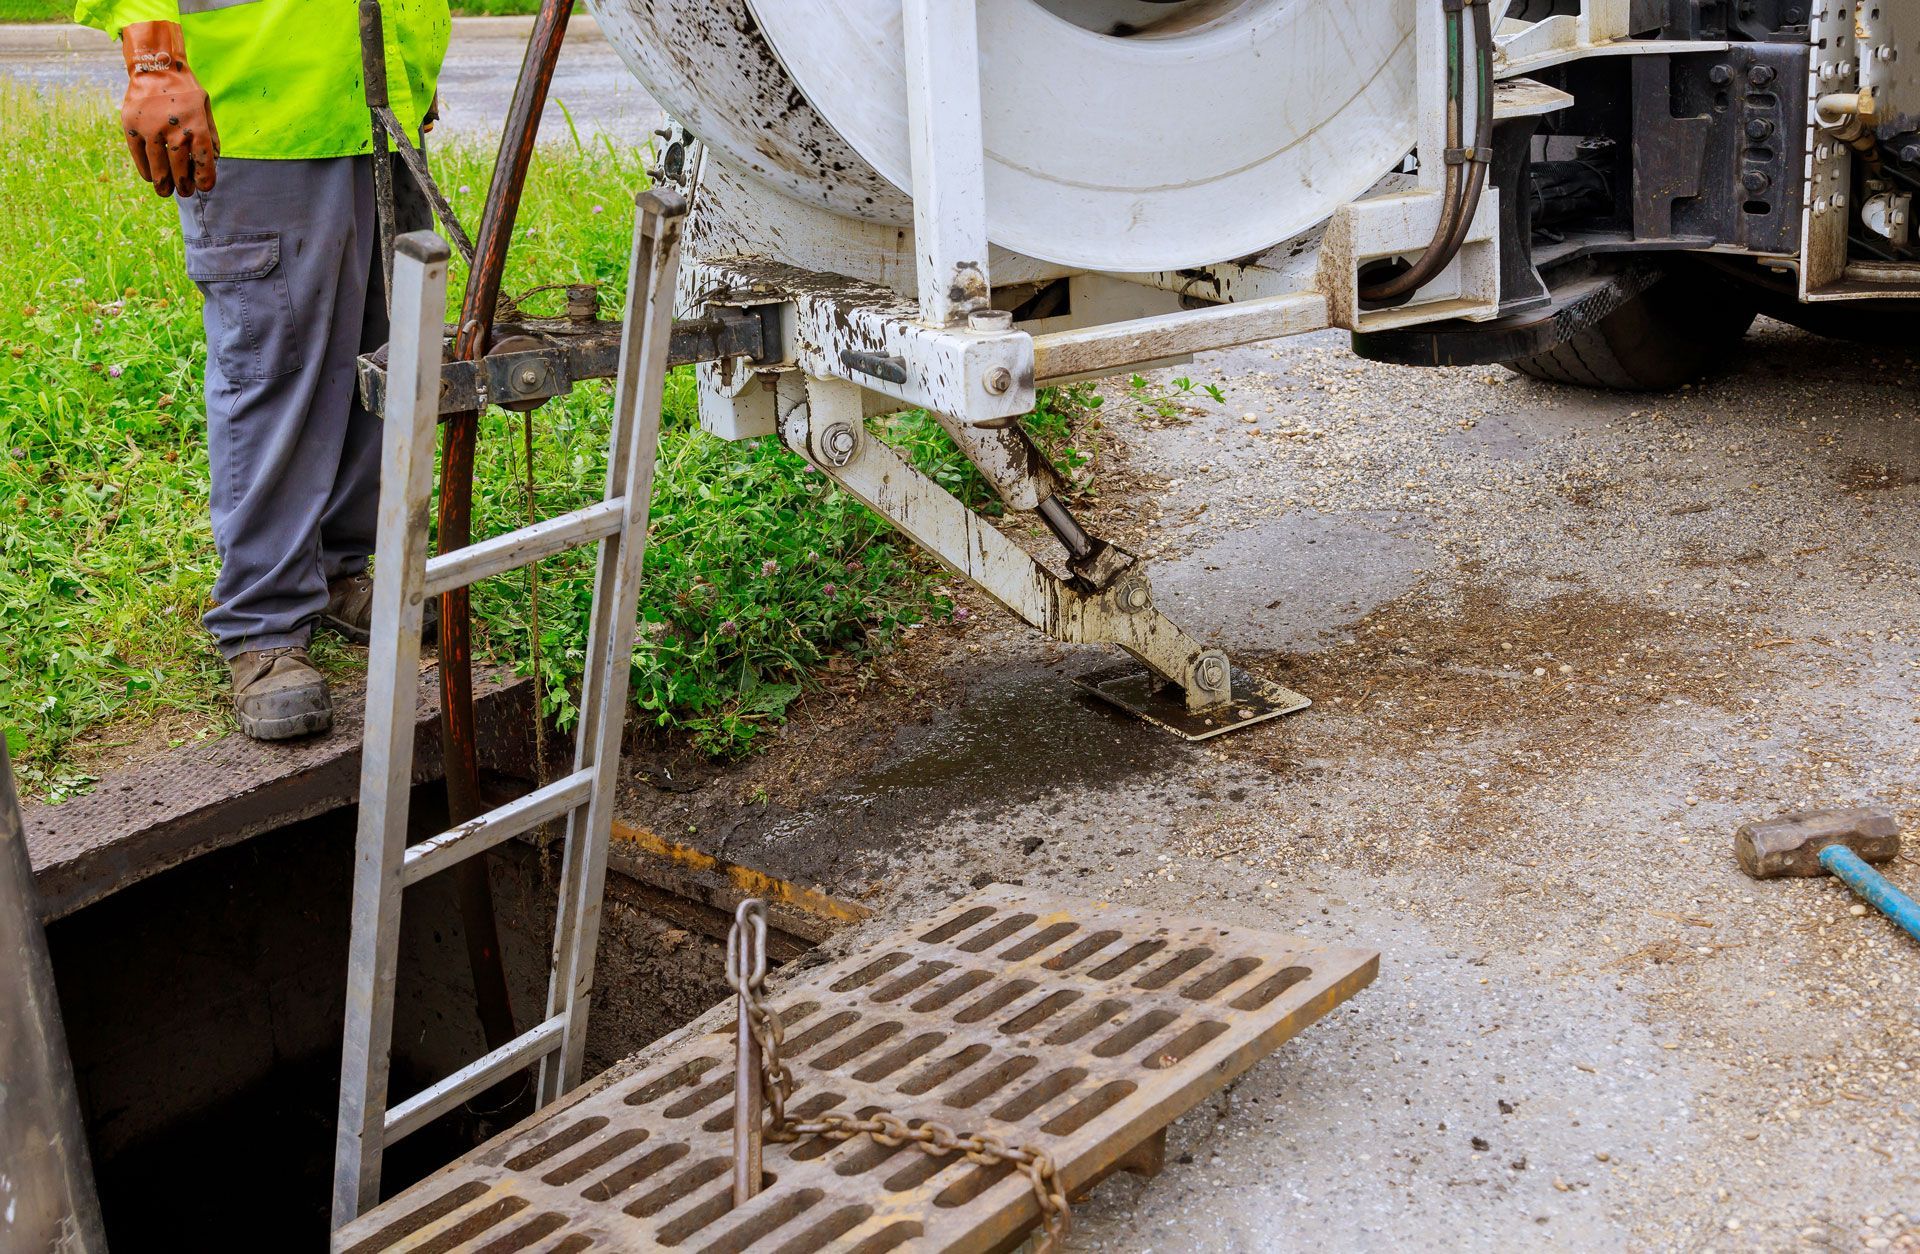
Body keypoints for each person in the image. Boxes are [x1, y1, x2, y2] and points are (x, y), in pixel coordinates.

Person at [75, 0, 451, 739]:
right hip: (262, 111)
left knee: (385, 344)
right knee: (277, 367)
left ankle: (338, 569)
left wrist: (407, 60)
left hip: (376, 100)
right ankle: (263, 622)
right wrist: (154, 61)